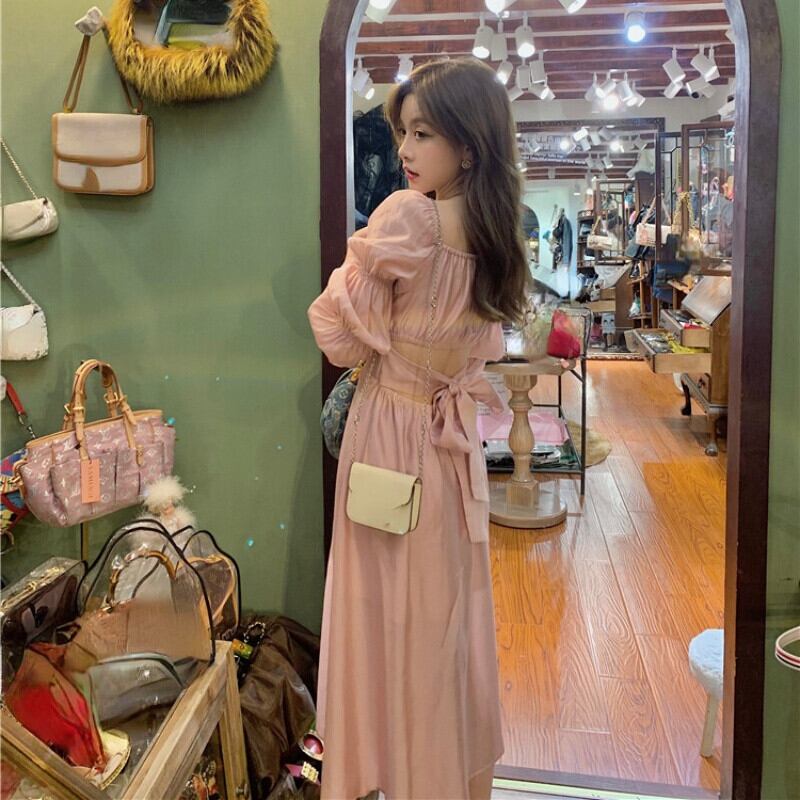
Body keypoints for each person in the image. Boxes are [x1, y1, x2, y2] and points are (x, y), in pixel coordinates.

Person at [307, 57, 529, 800]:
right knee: (439, 615)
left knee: (377, 611)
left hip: (390, 432)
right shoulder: (497, 233)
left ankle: (383, 773)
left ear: (468, 144)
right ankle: (434, 775)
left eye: (423, 133)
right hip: (449, 446)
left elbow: (338, 337)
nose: (404, 148)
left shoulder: (410, 216)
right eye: (404, 131)